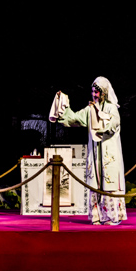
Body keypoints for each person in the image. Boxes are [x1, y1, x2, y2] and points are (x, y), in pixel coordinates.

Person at [49, 76, 127, 225]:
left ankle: (111, 216)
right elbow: (75, 118)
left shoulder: (111, 108)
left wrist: (103, 128)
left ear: (103, 93)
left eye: (96, 92)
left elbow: (114, 123)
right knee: (95, 182)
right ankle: (97, 216)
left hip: (108, 153)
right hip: (95, 154)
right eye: (92, 92)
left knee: (108, 182)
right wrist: (63, 105)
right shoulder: (91, 109)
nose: (94, 95)